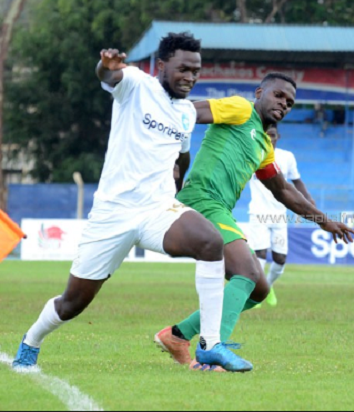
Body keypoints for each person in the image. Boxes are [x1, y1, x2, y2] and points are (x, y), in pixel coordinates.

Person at [12, 32, 252, 373]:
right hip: (113, 215)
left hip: (157, 210)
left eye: (196, 70)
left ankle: (209, 344)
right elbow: (111, 76)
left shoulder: (185, 112)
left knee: (210, 240)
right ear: (162, 65)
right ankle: (31, 341)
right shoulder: (137, 85)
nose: (190, 76)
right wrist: (105, 67)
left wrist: (179, 188)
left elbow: (181, 156)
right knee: (72, 304)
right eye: (183, 68)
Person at [154, 73, 354, 371]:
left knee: (259, 289)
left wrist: (325, 221)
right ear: (260, 92)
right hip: (201, 200)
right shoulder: (240, 108)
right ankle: (212, 352)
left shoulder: (263, 145)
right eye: (278, 96)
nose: (283, 105)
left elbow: (283, 189)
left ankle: (177, 335)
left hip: (219, 208)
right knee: (248, 270)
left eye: (289, 103)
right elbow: (189, 113)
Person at [248, 125, 316, 307]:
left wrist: (308, 201)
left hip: (279, 215)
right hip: (258, 213)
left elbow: (297, 182)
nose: (270, 139)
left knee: (280, 259)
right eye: (266, 136)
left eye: (273, 135)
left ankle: (266, 288)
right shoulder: (252, 154)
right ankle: (256, 296)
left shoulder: (287, 157)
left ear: (278, 136)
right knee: (260, 254)